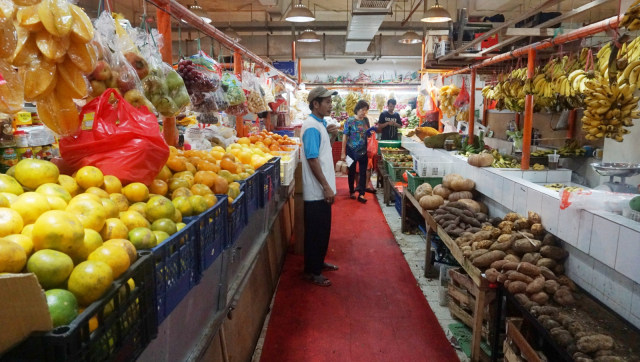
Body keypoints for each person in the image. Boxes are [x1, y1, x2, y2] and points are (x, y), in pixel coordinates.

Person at [300, 86, 340, 287]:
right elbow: (312, 159)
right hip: (316, 191)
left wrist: (331, 136)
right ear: (315, 104)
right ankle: (312, 271)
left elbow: (323, 152)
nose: (330, 105)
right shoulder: (311, 127)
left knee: (322, 230)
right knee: (316, 232)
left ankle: (318, 263)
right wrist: (325, 186)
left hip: (321, 188)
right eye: (327, 102)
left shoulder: (320, 124)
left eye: (330, 102)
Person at [340, 100, 375, 203]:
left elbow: (366, 134)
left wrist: (370, 133)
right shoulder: (350, 120)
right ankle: (351, 191)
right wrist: (343, 151)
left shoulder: (366, 121)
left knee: (363, 172)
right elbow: (345, 136)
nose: (364, 112)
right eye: (362, 110)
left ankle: (362, 193)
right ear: (357, 109)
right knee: (351, 172)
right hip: (350, 151)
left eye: (365, 110)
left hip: (363, 151)